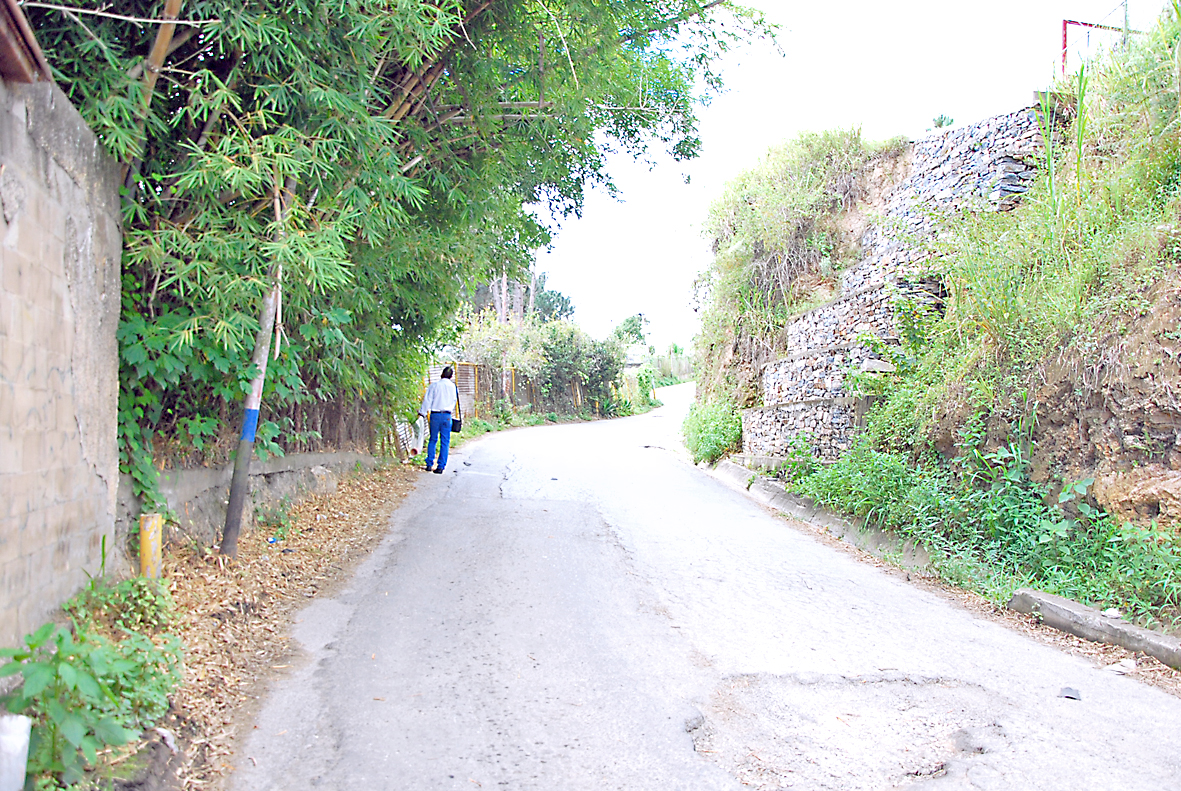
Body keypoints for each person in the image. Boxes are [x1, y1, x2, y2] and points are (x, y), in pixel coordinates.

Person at [418, 366, 458, 474]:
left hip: (435, 415)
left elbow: (428, 400)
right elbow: (454, 400)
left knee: (433, 439)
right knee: (445, 441)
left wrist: (422, 412)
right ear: (451, 376)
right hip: (447, 415)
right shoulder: (453, 387)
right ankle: (441, 466)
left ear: (442, 374)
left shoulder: (435, 385)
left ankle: (429, 464)